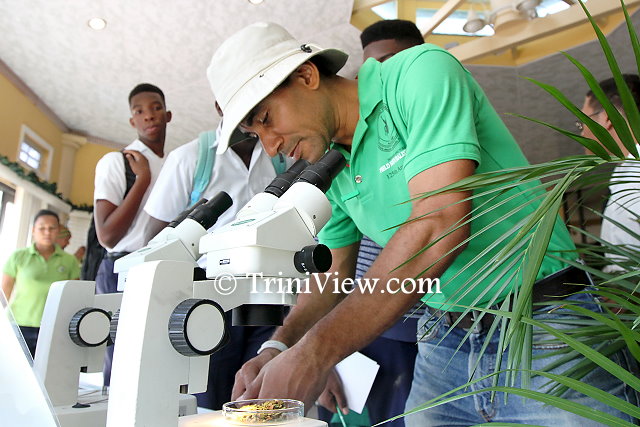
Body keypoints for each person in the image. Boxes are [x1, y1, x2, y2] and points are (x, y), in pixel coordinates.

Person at [208, 23, 637, 426]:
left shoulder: (419, 72)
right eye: (255, 134)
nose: (270, 146)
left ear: (306, 75)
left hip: (543, 324)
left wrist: (314, 354)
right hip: (445, 340)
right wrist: (280, 345)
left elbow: (439, 224)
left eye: (267, 119)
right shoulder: (327, 163)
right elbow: (333, 274)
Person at [316, 19, 426, 427]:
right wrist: (320, 350)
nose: (379, 76)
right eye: (370, 69)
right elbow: (334, 269)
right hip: (371, 325)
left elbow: (436, 223)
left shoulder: (433, 121)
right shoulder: (340, 157)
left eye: (391, 63)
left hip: (441, 323)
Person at [143, 121, 289, 409]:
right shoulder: (189, 158)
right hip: (211, 290)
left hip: (267, 289)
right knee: (210, 393)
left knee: (258, 394)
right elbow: (153, 238)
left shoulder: (280, 156)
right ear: (220, 107)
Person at [93, 82, 170, 385]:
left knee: (158, 361)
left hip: (162, 271)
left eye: (156, 108)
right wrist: (142, 180)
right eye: (139, 111)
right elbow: (107, 236)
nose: (149, 115)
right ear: (132, 120)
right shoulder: (118, 162)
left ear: (168, 115)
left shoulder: (176, 164)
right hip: (121, 269)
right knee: (122, 362)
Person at [579, 74, 640, 273]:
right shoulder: (625, 175)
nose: (582, 133)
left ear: (606, 117)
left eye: (581, 123)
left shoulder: (634, 181)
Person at [1, 210, 80, 357]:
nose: (47, 232)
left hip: (55, 327)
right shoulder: (18, 257)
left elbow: (74, 296)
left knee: (48, 370)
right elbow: (3, 295)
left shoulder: (70, 261)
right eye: (42, 228)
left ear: (58, 230)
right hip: (19, 325)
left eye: (52, 228)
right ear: (33, 230)